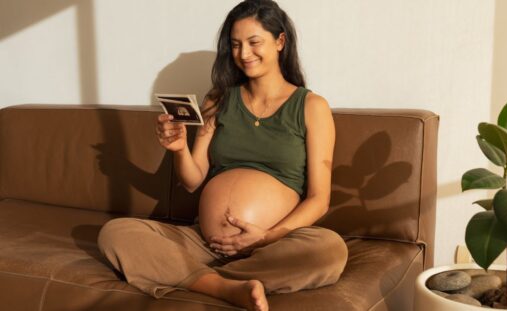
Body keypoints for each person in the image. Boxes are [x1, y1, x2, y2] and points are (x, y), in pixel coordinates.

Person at [97, 1, 348, 310]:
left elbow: (319, 199)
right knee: (115, 234)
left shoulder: (311, 107)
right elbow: (192, 181)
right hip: (204, 242)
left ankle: (190, 276)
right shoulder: (218, 98)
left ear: (280, 41)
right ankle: (224, 287)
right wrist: (179, 150)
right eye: (235, 44)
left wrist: (266, 237)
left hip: (274, 244)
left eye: (254, 42)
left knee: (330, 250)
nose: (244, 54)